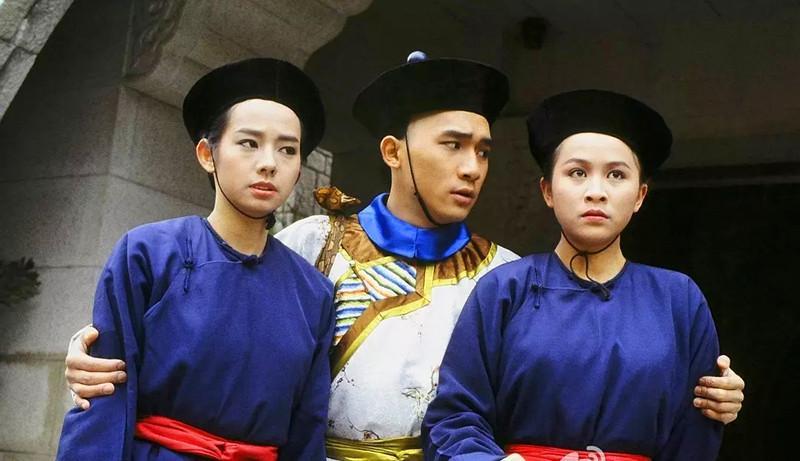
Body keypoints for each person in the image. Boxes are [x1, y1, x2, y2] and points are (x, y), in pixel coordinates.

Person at [61, 55, 744, 460]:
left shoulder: (505, 275)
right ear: (393, 152)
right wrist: (91, 367)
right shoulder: (308, 248)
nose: (472, 167)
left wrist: (710, 397)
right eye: (452, 145)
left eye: (483, 151)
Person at [422, 89, 727, 460]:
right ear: (548, 190)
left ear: (640, 196)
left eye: (616, 175)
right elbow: (454, 418)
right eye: (577, 173)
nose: (596, 192)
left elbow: (696, 432)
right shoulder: (504, 289)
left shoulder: (678, 299)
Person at [55, 58, 334, 460]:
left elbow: (307, 430)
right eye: (249, 143)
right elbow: (102, 398)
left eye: (287, 150)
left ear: (299, 170)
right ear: (207, 153)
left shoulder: (313, 292)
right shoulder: (149, 253)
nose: (269, 163)